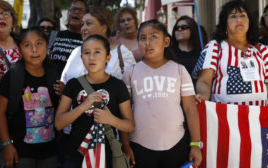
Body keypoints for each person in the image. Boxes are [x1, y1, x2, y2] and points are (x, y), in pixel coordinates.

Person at [193, 0, 268, 106]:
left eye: (243, 15)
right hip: (225, 121)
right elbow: (204, 81)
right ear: (224, 24)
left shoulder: (261, 49)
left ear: (249, 22)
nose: (239, 20)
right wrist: (202, 96)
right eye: (233, 16)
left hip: (258, 120)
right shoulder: (215, 47)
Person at [122, 20, 202, 168]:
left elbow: (191, 110)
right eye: (143, 38)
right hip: (139, 145)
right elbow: (124, 113)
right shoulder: (131, 72)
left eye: (153, 37)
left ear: (166, 41)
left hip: (176, 144)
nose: (148, 43)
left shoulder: (179, 70)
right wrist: (126, 145)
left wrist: (196, 144)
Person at [55, 34, 134, 167]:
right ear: (81, 58)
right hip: (76, 155)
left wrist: (110, 119)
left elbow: (129, 125)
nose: (91, 57)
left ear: (108, 58)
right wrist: (83, 106)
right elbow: (58, 124)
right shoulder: (73, 84)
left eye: (97, 52)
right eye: (86, 53)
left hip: (107, 155)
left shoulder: (117, 86)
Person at [0, 27, 60, 168]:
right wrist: (7, 145)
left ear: (47, 46)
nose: (34, 50)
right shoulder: (13, 75)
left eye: (39, 43)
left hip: (50, 151)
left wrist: (64, 92)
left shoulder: (55, 74)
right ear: (19, 50)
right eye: (27, 45)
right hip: (20, 152)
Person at [49, 0, 87, 76]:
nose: (76, 12)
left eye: (80, 10)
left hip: (76, 85)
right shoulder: (53, 36)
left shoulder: (90, 41)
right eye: (72, 9)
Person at [171, 15, 204, 88]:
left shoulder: (202, 53)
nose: (179, 29)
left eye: (184, 27)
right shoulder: (169, 53)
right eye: (176, 28)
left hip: (196, 94)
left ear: (192, 30)